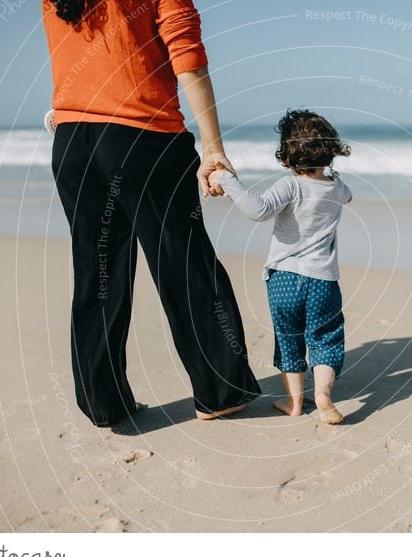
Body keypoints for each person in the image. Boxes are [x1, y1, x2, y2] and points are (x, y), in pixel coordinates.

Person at [42, 0, 260, 426]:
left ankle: (104, 403)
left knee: (97, 272)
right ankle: (220, 392)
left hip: (72, 145)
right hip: (144, 138)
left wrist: (73, 112)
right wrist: (213, 148)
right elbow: (188, 61)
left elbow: (73, 56)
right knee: (184, 262)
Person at [208, 109, 352, 424]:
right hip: (324, 280)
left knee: (289, 338)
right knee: (326, 337)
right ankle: (324, 397)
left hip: (284, 279)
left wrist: (226, 180)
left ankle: (295, 403)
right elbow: (348, 196)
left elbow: (258, 210)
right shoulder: (337, 188)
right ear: (329, 149)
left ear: (287, 153)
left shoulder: (291, 186)